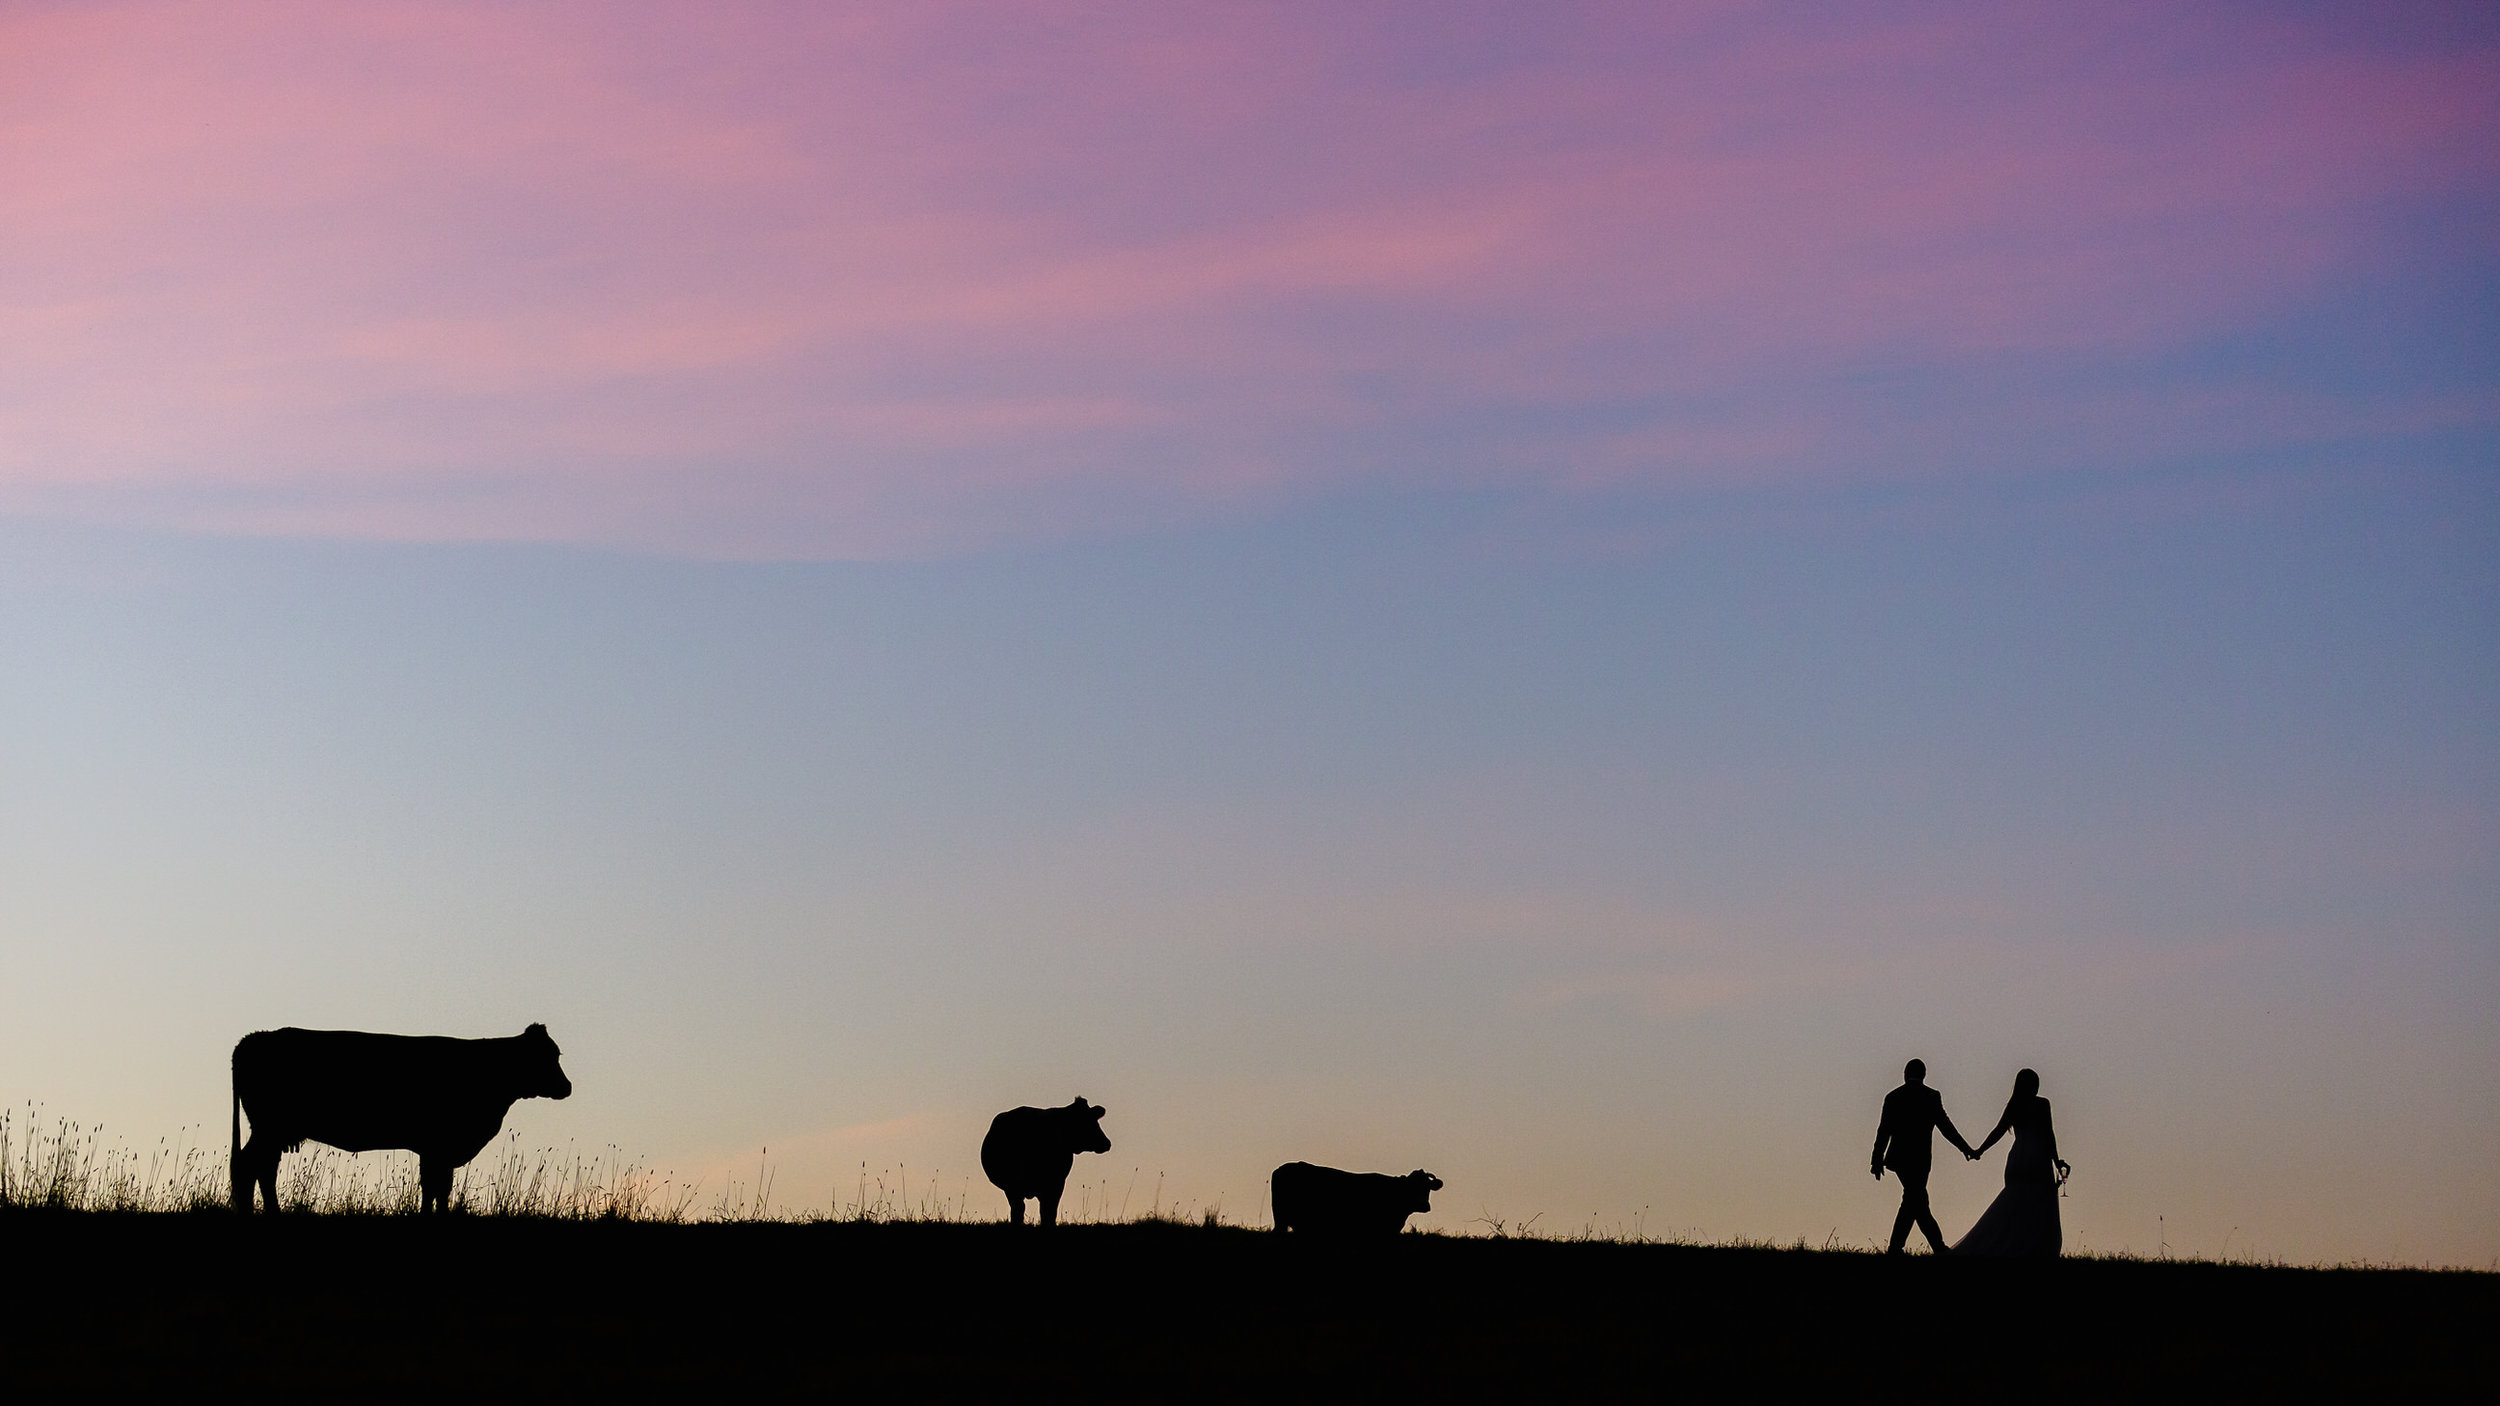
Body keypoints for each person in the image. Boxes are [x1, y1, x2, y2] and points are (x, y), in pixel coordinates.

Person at [1953, 1068, 2070, 1257]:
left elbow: (1998, 1131)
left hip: (2018, 1158)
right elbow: (2049, 1135)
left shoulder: (2015, 1105)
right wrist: (2057, 1161)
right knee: (2038, 1206)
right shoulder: (2042, 1104)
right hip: (2038, 1159)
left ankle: (2005, 1243)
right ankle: (2034, 1247)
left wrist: (1979, 1151)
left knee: (2014, 1205)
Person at [1870, 1058, 1978, 1255]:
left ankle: (1910, 1247)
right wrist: (1966, 1148)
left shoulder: (1893, 1097)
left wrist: (1876, 1159)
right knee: (1915, 1199)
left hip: (1899, 1158)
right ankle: (1927, 1247)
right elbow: (1946, 1128)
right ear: (1924, 1074)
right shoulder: (1931, 1096)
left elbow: (1883, 1130)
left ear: (1905, 1074)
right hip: (1921, 1159)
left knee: (1915, 1200)